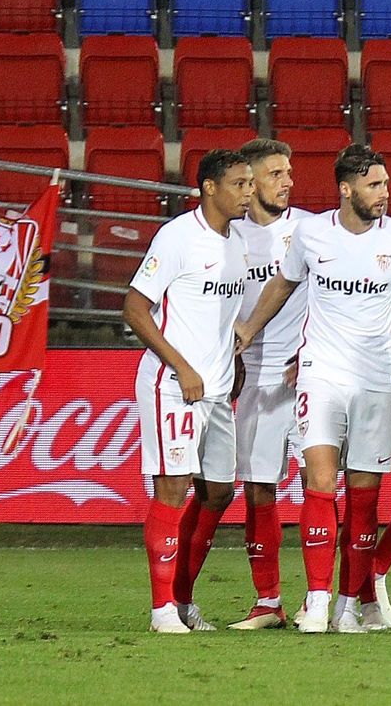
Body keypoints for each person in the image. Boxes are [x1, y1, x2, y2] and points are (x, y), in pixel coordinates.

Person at [234, 144, 391, 636]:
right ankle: (318, 600)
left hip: (377, 381)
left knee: (364, 496)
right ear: (346, 190)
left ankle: (351, 603)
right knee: (320, 483)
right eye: (375, 186)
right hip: (321, 372)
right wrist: (249, 329)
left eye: (386, 185)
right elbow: (283, 286)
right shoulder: (312, 233)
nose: (384, 194)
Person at [122, 148, 253, 635]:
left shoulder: (237, 243)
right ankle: (162, 611)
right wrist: (182, 366)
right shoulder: (177, 237)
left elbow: (218, 315)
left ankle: (182, 598)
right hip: (174, 384)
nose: (248, 192)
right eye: (239, 184)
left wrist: (231, 360)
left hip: (218, 389)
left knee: (217, 492)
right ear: (210, 188)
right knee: (173, 488)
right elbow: (134, 308)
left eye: (249, 183)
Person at [226, 138, 309, 632]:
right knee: (258, 488)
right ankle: (268, 601)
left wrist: (312, 350)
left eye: (288, 172)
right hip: (253, 376)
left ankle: (330, 595)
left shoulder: (308, 232)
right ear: (251, 181)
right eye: (277, 173)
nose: (288, 182)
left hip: (308, 374)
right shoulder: (228, 237)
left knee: (325, 487)